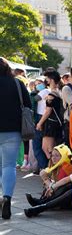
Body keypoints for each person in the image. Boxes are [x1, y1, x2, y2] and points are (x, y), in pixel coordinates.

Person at [0, 57, 32, 219]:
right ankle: (7, 197)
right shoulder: (17, 84)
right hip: (13, 130)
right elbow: (28, 105)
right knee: (9, 166)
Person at [24, 146, 72, 218]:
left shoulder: (68, 167)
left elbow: (65, 180)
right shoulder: (60, 167)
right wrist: (50, 184)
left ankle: (41, 206)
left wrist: (50, 185)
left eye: (57, 155)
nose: (53, 158)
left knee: (69, 188)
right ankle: (41, 204)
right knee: (67, 187)